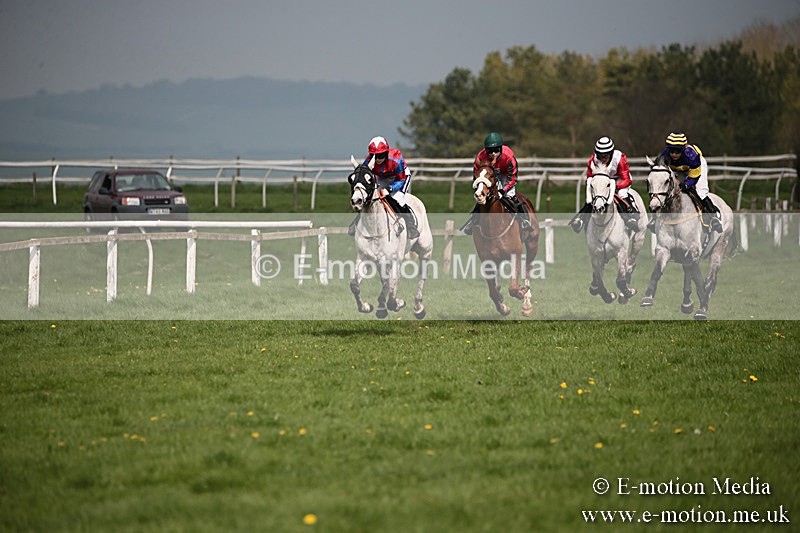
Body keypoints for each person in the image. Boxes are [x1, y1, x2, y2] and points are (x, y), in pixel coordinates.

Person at [461, 132, 532, 235]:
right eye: (490, 151)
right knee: (482, 198)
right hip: (488, 175)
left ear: (501, 148)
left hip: (505, 175)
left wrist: (503, 191)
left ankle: (524, 219)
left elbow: (512, 178)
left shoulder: (509, 157)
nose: (493, 153)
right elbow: (476, 175)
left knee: (509, 196)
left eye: (496, 150)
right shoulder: (480, 157)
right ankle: (473, 220)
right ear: (486, 150)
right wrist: (480, 190)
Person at [348, 136, 419, 239]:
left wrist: (390, 189)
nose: (378, 159)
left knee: (397, 199)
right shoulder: (368, 161)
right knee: (372, 198)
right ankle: (358, 220)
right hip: (382, 177)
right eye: (374, 156)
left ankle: (411, 226)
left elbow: (401, 180)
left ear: (386, 153)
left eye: (381, 155)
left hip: (400, 177)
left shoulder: (395, 159)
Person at [569, 136, 640, 233]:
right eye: (600, 156)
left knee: (622, 193)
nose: (602, 159)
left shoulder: (619, 158)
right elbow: (590, 178)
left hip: (620, 180)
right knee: (595, 196)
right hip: (602, 181)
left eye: (605, 156)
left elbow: (626, 179)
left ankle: (631, 216)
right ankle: (581, 218)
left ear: (611, 154)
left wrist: (614, 187)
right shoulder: (593, 160)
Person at [656, 131, 722, 233]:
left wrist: (685, 185)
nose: (673, 154)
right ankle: (656, 218)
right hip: (678, 169)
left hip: (696, 167)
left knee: (700, 191)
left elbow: (694, 176)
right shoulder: (664, 155)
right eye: (671, 151)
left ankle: (714, 216)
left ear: (683, 149)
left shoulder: (691, 156)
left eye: (677, 151)